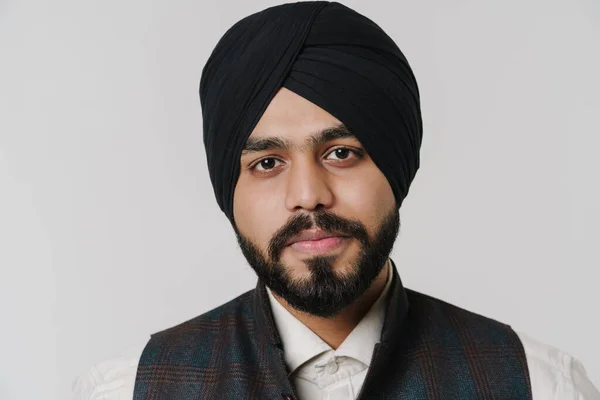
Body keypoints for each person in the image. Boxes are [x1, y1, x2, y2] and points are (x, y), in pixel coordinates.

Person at [72, 2, 600, 399]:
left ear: (395, 168)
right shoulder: (125, 391)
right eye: (267, 163)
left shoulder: (541, 384)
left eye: (341, 153)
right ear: (228, 192)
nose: (308, 197)